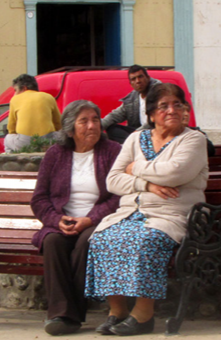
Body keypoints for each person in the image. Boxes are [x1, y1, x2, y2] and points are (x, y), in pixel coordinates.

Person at [85, 83, 208, 336]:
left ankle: (143, 315)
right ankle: (116, 312)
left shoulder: (194, 139)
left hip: (171, 215)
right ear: (151, 114)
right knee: (102, 238)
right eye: (163, 106)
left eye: (178, 104)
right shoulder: (134, 139)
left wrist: (134, 168)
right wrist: (146, 184)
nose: (172, 110)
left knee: (144, 240)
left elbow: (175, 172)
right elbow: (113, 181)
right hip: (130, 214)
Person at [30, 100, 122, 336]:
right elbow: (39, 199)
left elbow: (118, 196)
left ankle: (72, 315)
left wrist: (90, 219)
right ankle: (60, 314)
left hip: (99, 222)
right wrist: (56, 219)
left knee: (86, 242)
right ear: (70, 129)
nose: (91, 126)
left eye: (95, 119)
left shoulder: (112, 151)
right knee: (52, 242)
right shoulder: (55, 154)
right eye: (84, 121)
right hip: (63, 222)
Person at [101, 65, 161, 144]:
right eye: (134, 79)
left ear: (148, 78)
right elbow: (114, 116)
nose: (138, 81)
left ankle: (132, 145)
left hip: (156, 132)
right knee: (112, 128)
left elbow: (155, 119)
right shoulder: (132, 99)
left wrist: (136, 133)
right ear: (131, 84)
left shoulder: (159, 93)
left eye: (140, 77)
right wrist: (96, 128)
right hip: (138, 135)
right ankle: (133, 145)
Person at [4, 74, 62, 153]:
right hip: (48, 141)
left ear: (24, 88)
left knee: (8, 138)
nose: (15, 94)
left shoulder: (15, 99)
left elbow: (11, 128)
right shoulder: (49, 97)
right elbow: (58, 124)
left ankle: (12, 158)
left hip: (24, 142)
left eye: (15, 90)